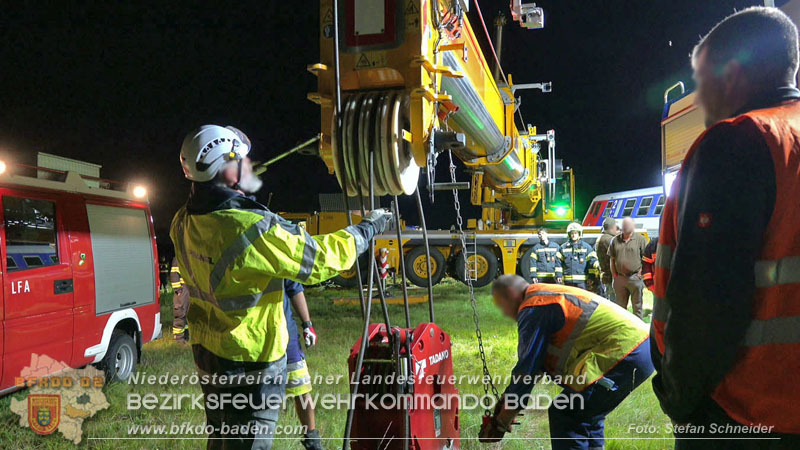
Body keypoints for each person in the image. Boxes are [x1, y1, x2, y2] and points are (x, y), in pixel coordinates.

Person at [170, 124, 391, 450]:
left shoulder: (182, 220)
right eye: (241, 160)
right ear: (228, 171)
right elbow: (318, 260)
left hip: (209, 356)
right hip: (251, 361)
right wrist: (367, 229)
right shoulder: (252, 228)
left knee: (221, 438)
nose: (248, 165)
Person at [651, 7, 800, 448]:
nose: (698, 97)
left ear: (731, 75)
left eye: (701, 79)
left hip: (741, 413)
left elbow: (706, 301)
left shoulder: (739, 142)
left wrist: (679, 399)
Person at [480, 275, 653, 450]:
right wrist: (507, 402)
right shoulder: (546, 297)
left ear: (509, 294)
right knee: (586, 416)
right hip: (640, 347)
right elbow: (536, 367)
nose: (503, 313)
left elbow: (527, 370)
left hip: (626, 351)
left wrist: (502, 421)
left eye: (500, 304)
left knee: (567, 414)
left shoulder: (535, 305)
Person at [281, 279, 323, 450]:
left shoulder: (279, 254)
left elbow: (294, 287)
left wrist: (307, 324)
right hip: (252, 338)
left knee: (301, 386)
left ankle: (312, 441)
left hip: (285, 334)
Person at [607, 217, 648, 319]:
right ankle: (622, 329)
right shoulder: (615, 240)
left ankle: (638, 330)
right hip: (620, 279)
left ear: (633, 226)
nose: (626, 227)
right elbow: (612, 259)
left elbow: (646, 259)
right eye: (624, 225)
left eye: (628, 225)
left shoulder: (641, 240)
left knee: (637, 307)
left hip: (635, 278)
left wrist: (640, 274)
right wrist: (615, 276)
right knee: (620, 309)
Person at [558, 223, 599, 290]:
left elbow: (591, 263)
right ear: (569, 234)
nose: (574, 235)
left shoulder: (586, 247)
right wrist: (558, 275)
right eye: (572, 233)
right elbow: (558, 263)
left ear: (580, 234)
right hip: (568, 282)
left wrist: (591, 277)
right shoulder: (563, 248)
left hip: (582, 282)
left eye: (576, 233)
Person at [594, 217, 619, 302]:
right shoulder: (608, 239)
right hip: (611, 276)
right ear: (612, 227)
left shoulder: (602, 238)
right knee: (615, 303)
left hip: (607, 276)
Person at [170, 257, 190, 343]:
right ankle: (178, 339)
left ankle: (186, 335)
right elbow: (174, 273)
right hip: (183, 289)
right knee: (180, 312)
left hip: (192, 288)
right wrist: (178, 289)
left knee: (189, 313)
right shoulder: (179, 256)